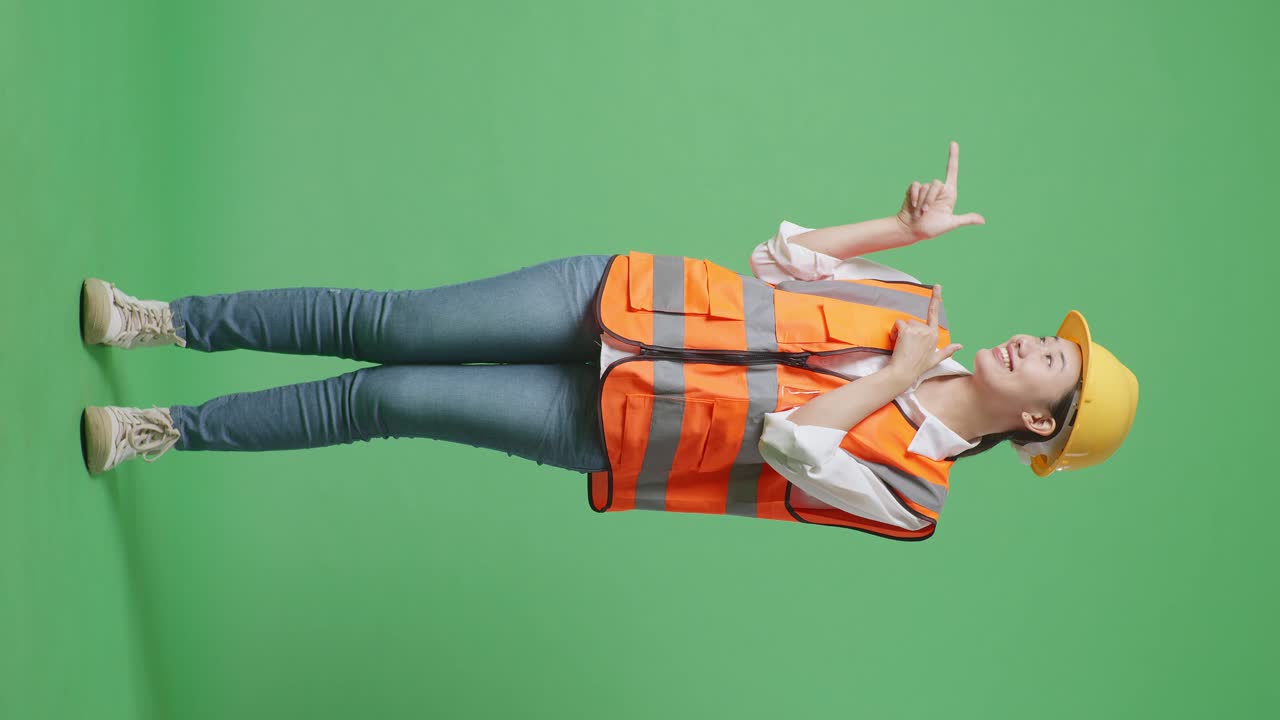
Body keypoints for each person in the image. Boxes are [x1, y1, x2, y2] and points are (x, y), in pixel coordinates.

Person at [80, 141, 1138, 540]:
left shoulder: (916, 498)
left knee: (385, 400)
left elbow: (793, 449)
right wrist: (895, 232)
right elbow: (777, 267)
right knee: (390, 321)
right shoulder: (921, 309)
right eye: (1043, 338)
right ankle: (161, 321)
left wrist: (896, 382)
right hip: (616, 301)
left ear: (1040, 420)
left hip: (616, 427)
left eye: (1048, 361)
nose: (1025, 345)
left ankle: (161, 428)